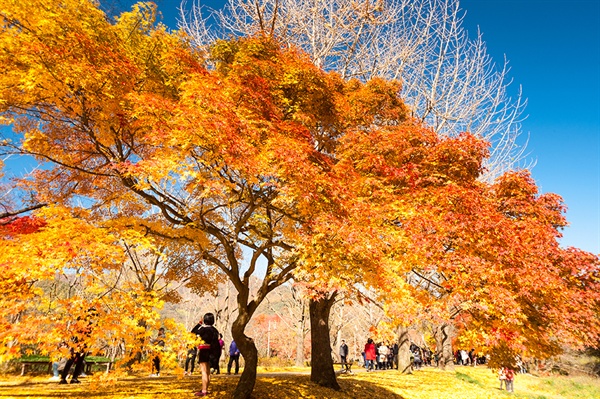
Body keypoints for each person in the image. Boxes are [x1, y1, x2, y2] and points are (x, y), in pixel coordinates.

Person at [59, 308, 96, 384]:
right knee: (72, 361)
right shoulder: (82, 323)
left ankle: (72, 378)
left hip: (80, 345)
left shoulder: (85, 323)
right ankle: (66, 378)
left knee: (77, 362)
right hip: (77, 344)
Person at [191, 313, 220, 397]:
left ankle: (204, 391)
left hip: (204, 350)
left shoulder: (202, 329)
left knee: (204, 372)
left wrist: (199, 324)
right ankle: (206, 389)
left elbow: (192, 333)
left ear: (204, 320)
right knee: (208, 372)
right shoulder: (215, 330)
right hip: (212, 352)